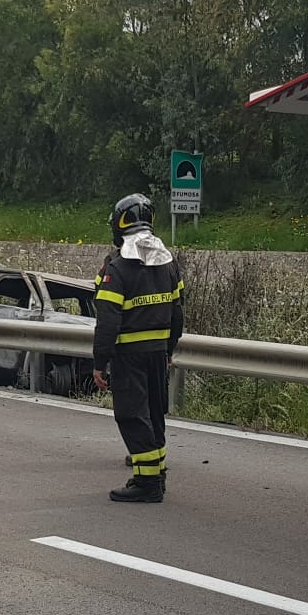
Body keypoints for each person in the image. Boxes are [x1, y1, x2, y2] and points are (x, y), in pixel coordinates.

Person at [91, 193, 183, 503]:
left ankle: (147, 483)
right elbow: (177, 313)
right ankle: (157, 474)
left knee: (133, 415)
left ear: (119, 225)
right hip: (158, 354)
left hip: (129, 357)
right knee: (155, 414)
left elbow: (107, 322)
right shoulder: (168, 264)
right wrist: (169, 350)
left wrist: (99, 362)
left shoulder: (116, 269)